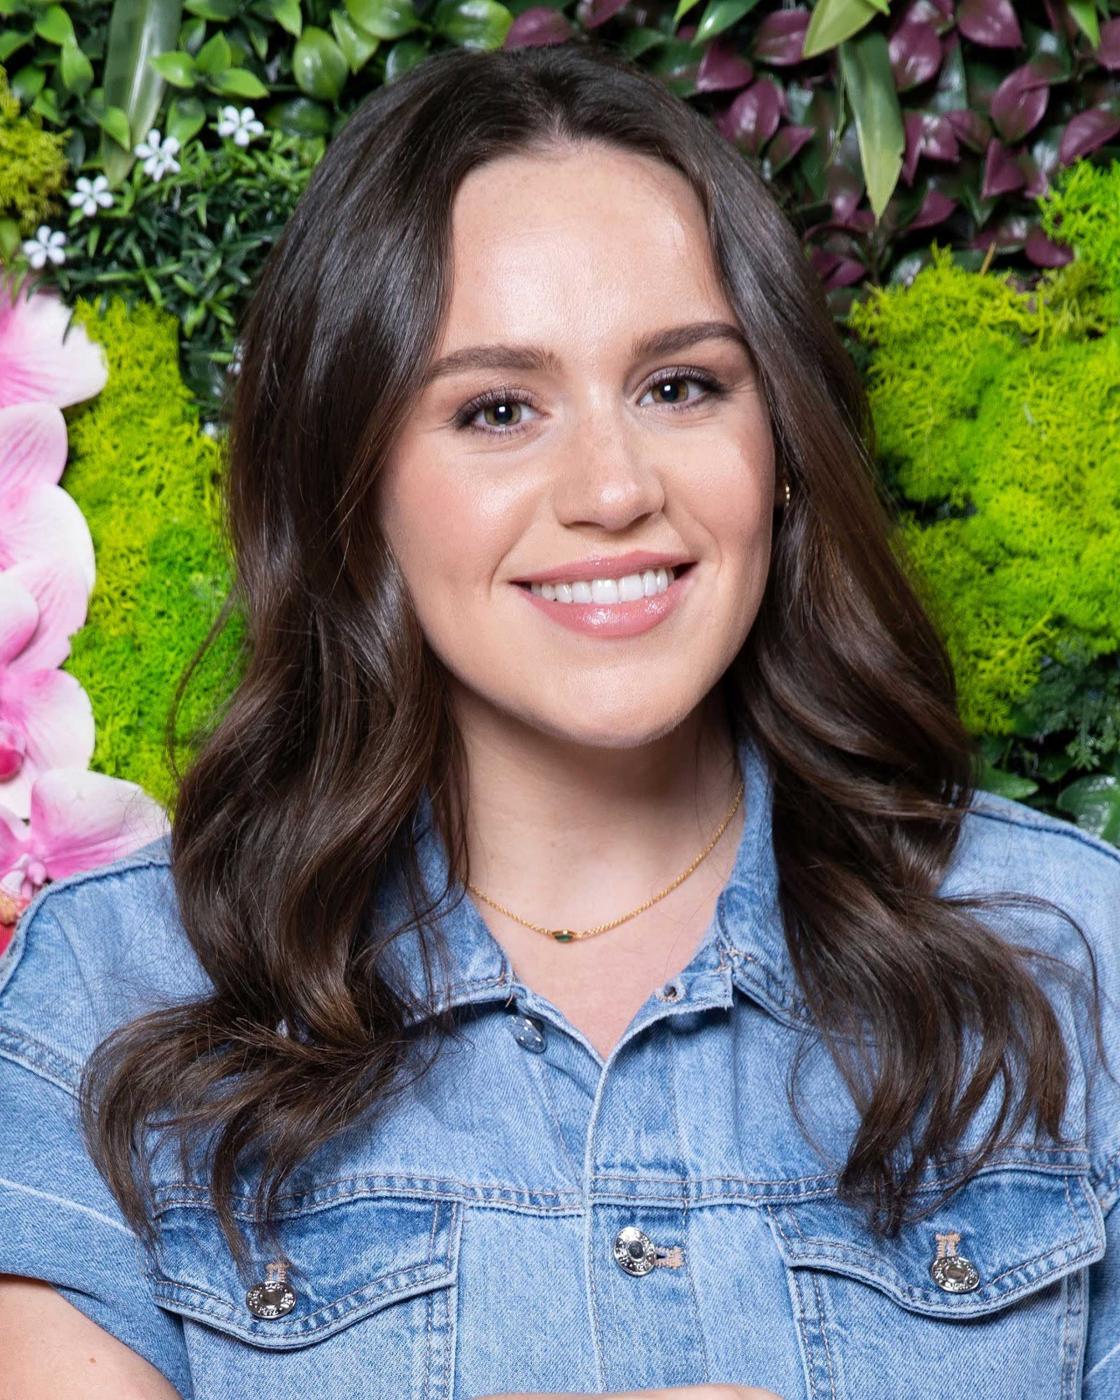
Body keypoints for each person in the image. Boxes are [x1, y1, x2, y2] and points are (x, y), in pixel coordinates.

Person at [1, 37, 1118, 1400]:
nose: (611, 487)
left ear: (782, 446)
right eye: (497, 408)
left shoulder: (1074, 955)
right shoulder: (117, 996)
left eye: (680, 385)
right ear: (355, 482)